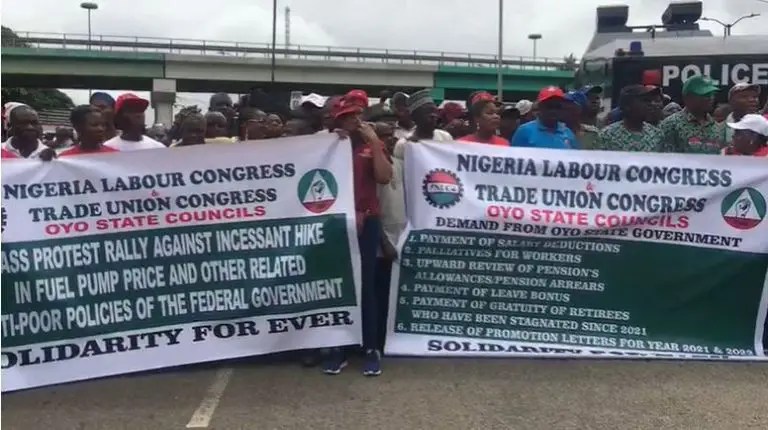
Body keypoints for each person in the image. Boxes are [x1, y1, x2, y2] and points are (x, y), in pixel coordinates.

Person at [324, 99, 392, 377]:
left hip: (368, 220)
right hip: (336, 222)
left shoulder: (370, 144)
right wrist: (331, 141)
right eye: (348, 116)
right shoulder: (329, 144)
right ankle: (339, 346)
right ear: (338, 120)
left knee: (365, 285)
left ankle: (371, 347)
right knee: (340, 285)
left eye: (358, 115)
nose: (355, 120)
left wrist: (375, 142)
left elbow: (384, 176)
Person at [659, 75, 725, 154]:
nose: (710, 98)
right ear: (688, 98)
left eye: (711, 94)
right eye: (705, 95)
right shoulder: (671, 125)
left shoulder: (717, 128)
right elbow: (665, 160)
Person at [597, 85, 663, 152]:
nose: (651, 104)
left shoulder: (656, 135)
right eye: (645, 100)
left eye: (649, 100)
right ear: (627, 106)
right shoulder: (608, 136)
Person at [511, 87, 578, 149]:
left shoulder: (568, 134)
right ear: (540, 107)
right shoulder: (524, 131)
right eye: (549, 106)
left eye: (558, 106)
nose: (554, 111)